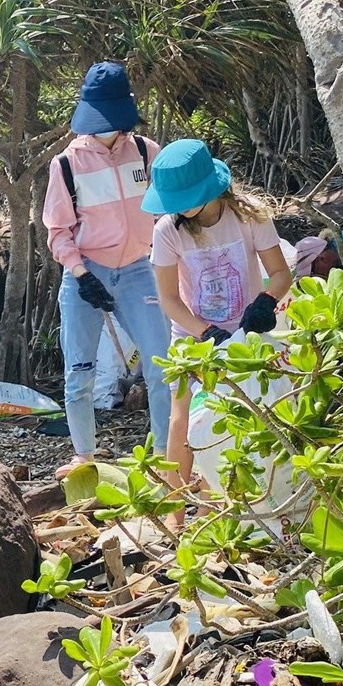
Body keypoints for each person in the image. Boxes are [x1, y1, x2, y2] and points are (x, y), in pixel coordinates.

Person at [43, 62, 171, 476]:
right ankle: (83, 454)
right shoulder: (67, 164)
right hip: (86, 272)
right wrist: (81, 275)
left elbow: (169, 216)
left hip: (138, 270)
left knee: (162, 366)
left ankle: (169, 454)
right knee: (79, 370)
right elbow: (58, 231)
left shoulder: (147, 152)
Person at [142, 139, 293, 487]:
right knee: (181, 419)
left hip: (248, 332)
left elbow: (281, 273)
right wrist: (205, 331)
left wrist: (266, 302)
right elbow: (168, 299)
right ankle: (174, 513)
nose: (181, 209)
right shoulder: (168, 230)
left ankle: (229, 504)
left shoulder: (248, 215)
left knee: (252, 411)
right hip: (194, 332)